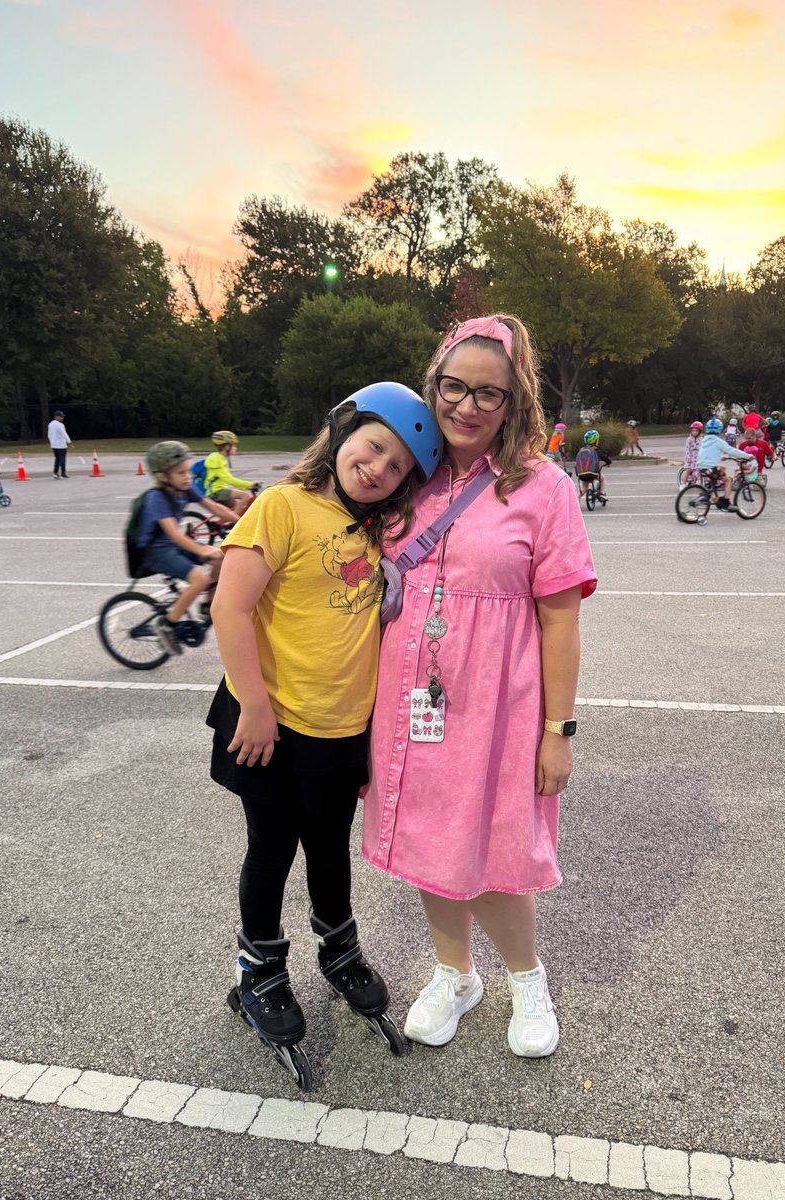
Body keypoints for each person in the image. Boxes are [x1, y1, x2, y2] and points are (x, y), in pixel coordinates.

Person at [362, 314, 597, 1059]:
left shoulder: (543, 487)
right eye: (452, 386)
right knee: (430, 838)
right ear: (431, 384)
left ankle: (527, 978)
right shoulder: (409, 474)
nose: (466, 406)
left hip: (499, 701)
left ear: (515, 400)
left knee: (495, 844)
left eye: (487, 394)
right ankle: (455, 974)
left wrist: (559, 730)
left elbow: (560, 620)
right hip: (409, 697)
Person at [206, 383, 441, 1089]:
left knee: (329, 852)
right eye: (373, 447)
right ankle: (259, 972)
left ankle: (339, 954)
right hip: (271, 724)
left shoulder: (376, 529)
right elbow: (229, 605)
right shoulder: (283, 506)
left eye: (397, 466)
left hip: (343, 729)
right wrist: (253, 704)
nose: (378, 468)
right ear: (342, 434)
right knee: (272, 849)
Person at [137, 441, 239, 655]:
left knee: (222, 558)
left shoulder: (184, 489)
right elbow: (173, 533)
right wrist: (203, 551)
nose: (188, 477)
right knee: (200, 579)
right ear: (163, 476)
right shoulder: (156, 498)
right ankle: (168, 624)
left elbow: (215, 508)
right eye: (180, 473)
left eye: (188, 471)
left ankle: (206, 606)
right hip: (156, 551)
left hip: (173, 545)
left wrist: (242, 523)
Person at [696, 417, 755, 509]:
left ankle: (710, 490)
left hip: (701, 467)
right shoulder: (718, 441)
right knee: (728, 480)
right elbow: (731, 450)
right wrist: (747, 456)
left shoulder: (704, 439)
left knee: (722, 468)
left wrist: (721, 457)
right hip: (710, 468)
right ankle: (726, 503)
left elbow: (708, 453)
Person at [203, 431, 258, 515]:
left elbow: (228, 480)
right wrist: (249, 485)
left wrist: (246, 486)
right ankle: (234, 522)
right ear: (227, 447)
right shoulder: (217, 460)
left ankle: (225, 524)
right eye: (234, 446)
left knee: (237, 509)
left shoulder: (220, 458)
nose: (235, 448)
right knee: (244, 496)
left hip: (219, 491)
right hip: (216, 492)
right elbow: (229, 479)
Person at [574, 429, 611, 500]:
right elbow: (605, 458)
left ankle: (575, 499)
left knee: (584, 488)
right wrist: (608, 462)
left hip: (582, 474)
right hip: (593, 473)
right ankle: (602, 493)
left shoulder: (581, 450)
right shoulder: (595, 450)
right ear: (595, 440)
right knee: (602, 479)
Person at [47, 411, 73, 479]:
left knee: (57, 459)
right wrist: (69, 442)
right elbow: (64, 434)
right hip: (61, 445)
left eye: (62, 416)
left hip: (54, 444)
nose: (62, 418)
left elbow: (49, 435)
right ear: (56, 417)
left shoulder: (50, 424)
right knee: (62, 459)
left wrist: (51, 442)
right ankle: (63, 473)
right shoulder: (60, 425)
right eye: (61, 416)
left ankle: (55, 473)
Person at [681, 421, 703, 486]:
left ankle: (692, 484)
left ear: (699, 431)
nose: (694, 432)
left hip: (698, 458)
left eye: (696, 431)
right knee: (689, 470)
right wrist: (688, 457)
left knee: (697, 473)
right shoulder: (689, 439)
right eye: (693, 431)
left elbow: (703, 448)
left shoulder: (701, 439)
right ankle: (683, 484)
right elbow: (687, 449)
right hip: (691, 457)